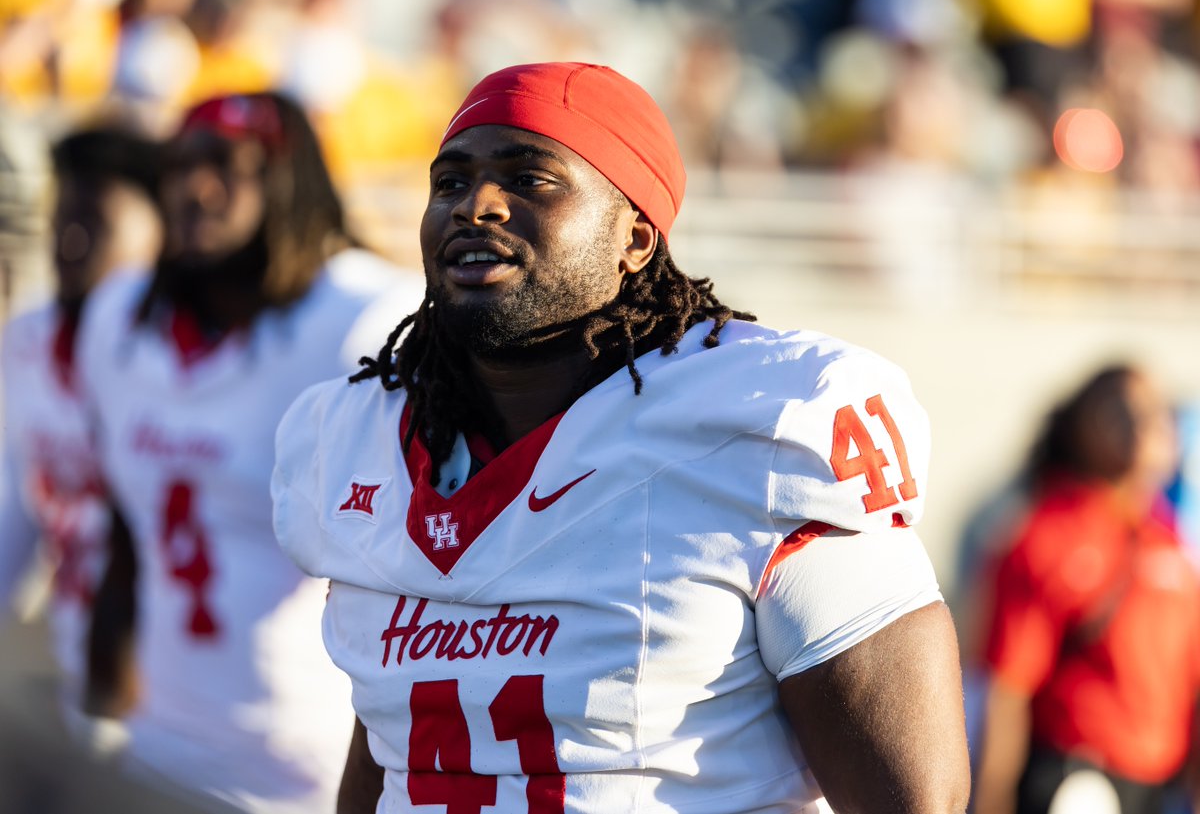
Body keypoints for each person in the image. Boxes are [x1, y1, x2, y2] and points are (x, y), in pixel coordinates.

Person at [271, 61, 971, 813]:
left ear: (635, 237)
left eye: (529, 179)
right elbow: (389, 738)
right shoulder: (355, 430)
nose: (477, 206)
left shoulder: (768, 423)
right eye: (449, 183)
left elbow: (914, 800)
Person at [77, 90, 425, 813]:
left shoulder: (365, 319)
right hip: (156, 746)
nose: (193, 189)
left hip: (313, 771)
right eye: (177, 166)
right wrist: (99, 713)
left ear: (287, 177)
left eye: (225, 165)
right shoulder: (122, 316)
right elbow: (123, 531)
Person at [972, 365, 1200, 814]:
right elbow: (1005, 691)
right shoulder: (1043, 536)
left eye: (1153, 411)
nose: (1140, 424)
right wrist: (991, 799)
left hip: (1158, 788)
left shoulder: (1171, 541)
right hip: (1076, 785)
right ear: (1082, 429)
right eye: (1118, 411)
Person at [0, 126, 162, 728]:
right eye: (58, 223)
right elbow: (20, 506)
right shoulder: (27, 338)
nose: (65, 244)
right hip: (77, 667)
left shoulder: (186, 360)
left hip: (180, 691)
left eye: (91, 223)